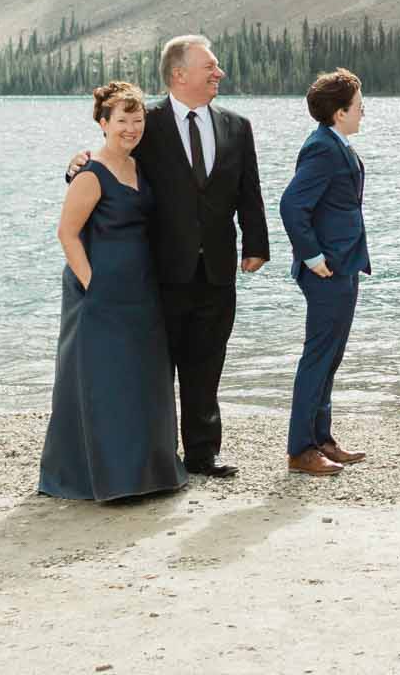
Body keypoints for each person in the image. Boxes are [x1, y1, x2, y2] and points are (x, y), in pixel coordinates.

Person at [66, 34, 270, 477]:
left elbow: (248, 189)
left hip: (217, 268)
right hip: (159, 270)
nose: (219, 73)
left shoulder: (237, 126)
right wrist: (75, 163)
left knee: (207, 363)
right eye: (210, 66)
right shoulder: (147, 123)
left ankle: (202, 453)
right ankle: (156, 453)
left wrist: (256, 243)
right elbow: (109, 162)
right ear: (179, 74)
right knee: (157, 367)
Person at [39, 81, 188, 502]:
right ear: (103, 123)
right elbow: (67, 234)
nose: (131, 128)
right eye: (122, 120)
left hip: (141, 289)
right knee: (102, 381)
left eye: (137, 120)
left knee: (142, 379)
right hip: (100, 292)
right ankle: (100, 478)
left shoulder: (140, 167)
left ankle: (148, 473)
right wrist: (93, 284)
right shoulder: (90, 173)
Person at [279, 68, 373, 477]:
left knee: (331, 357)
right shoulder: (322, 148)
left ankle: (322, 438)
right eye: (358, 106)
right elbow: (291, 205)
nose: (363, 112)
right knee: (318, 357)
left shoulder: (338, 143)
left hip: (344, 264)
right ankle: (301, 449)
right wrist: (313, 258)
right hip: (326, 270)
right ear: (338, 113)